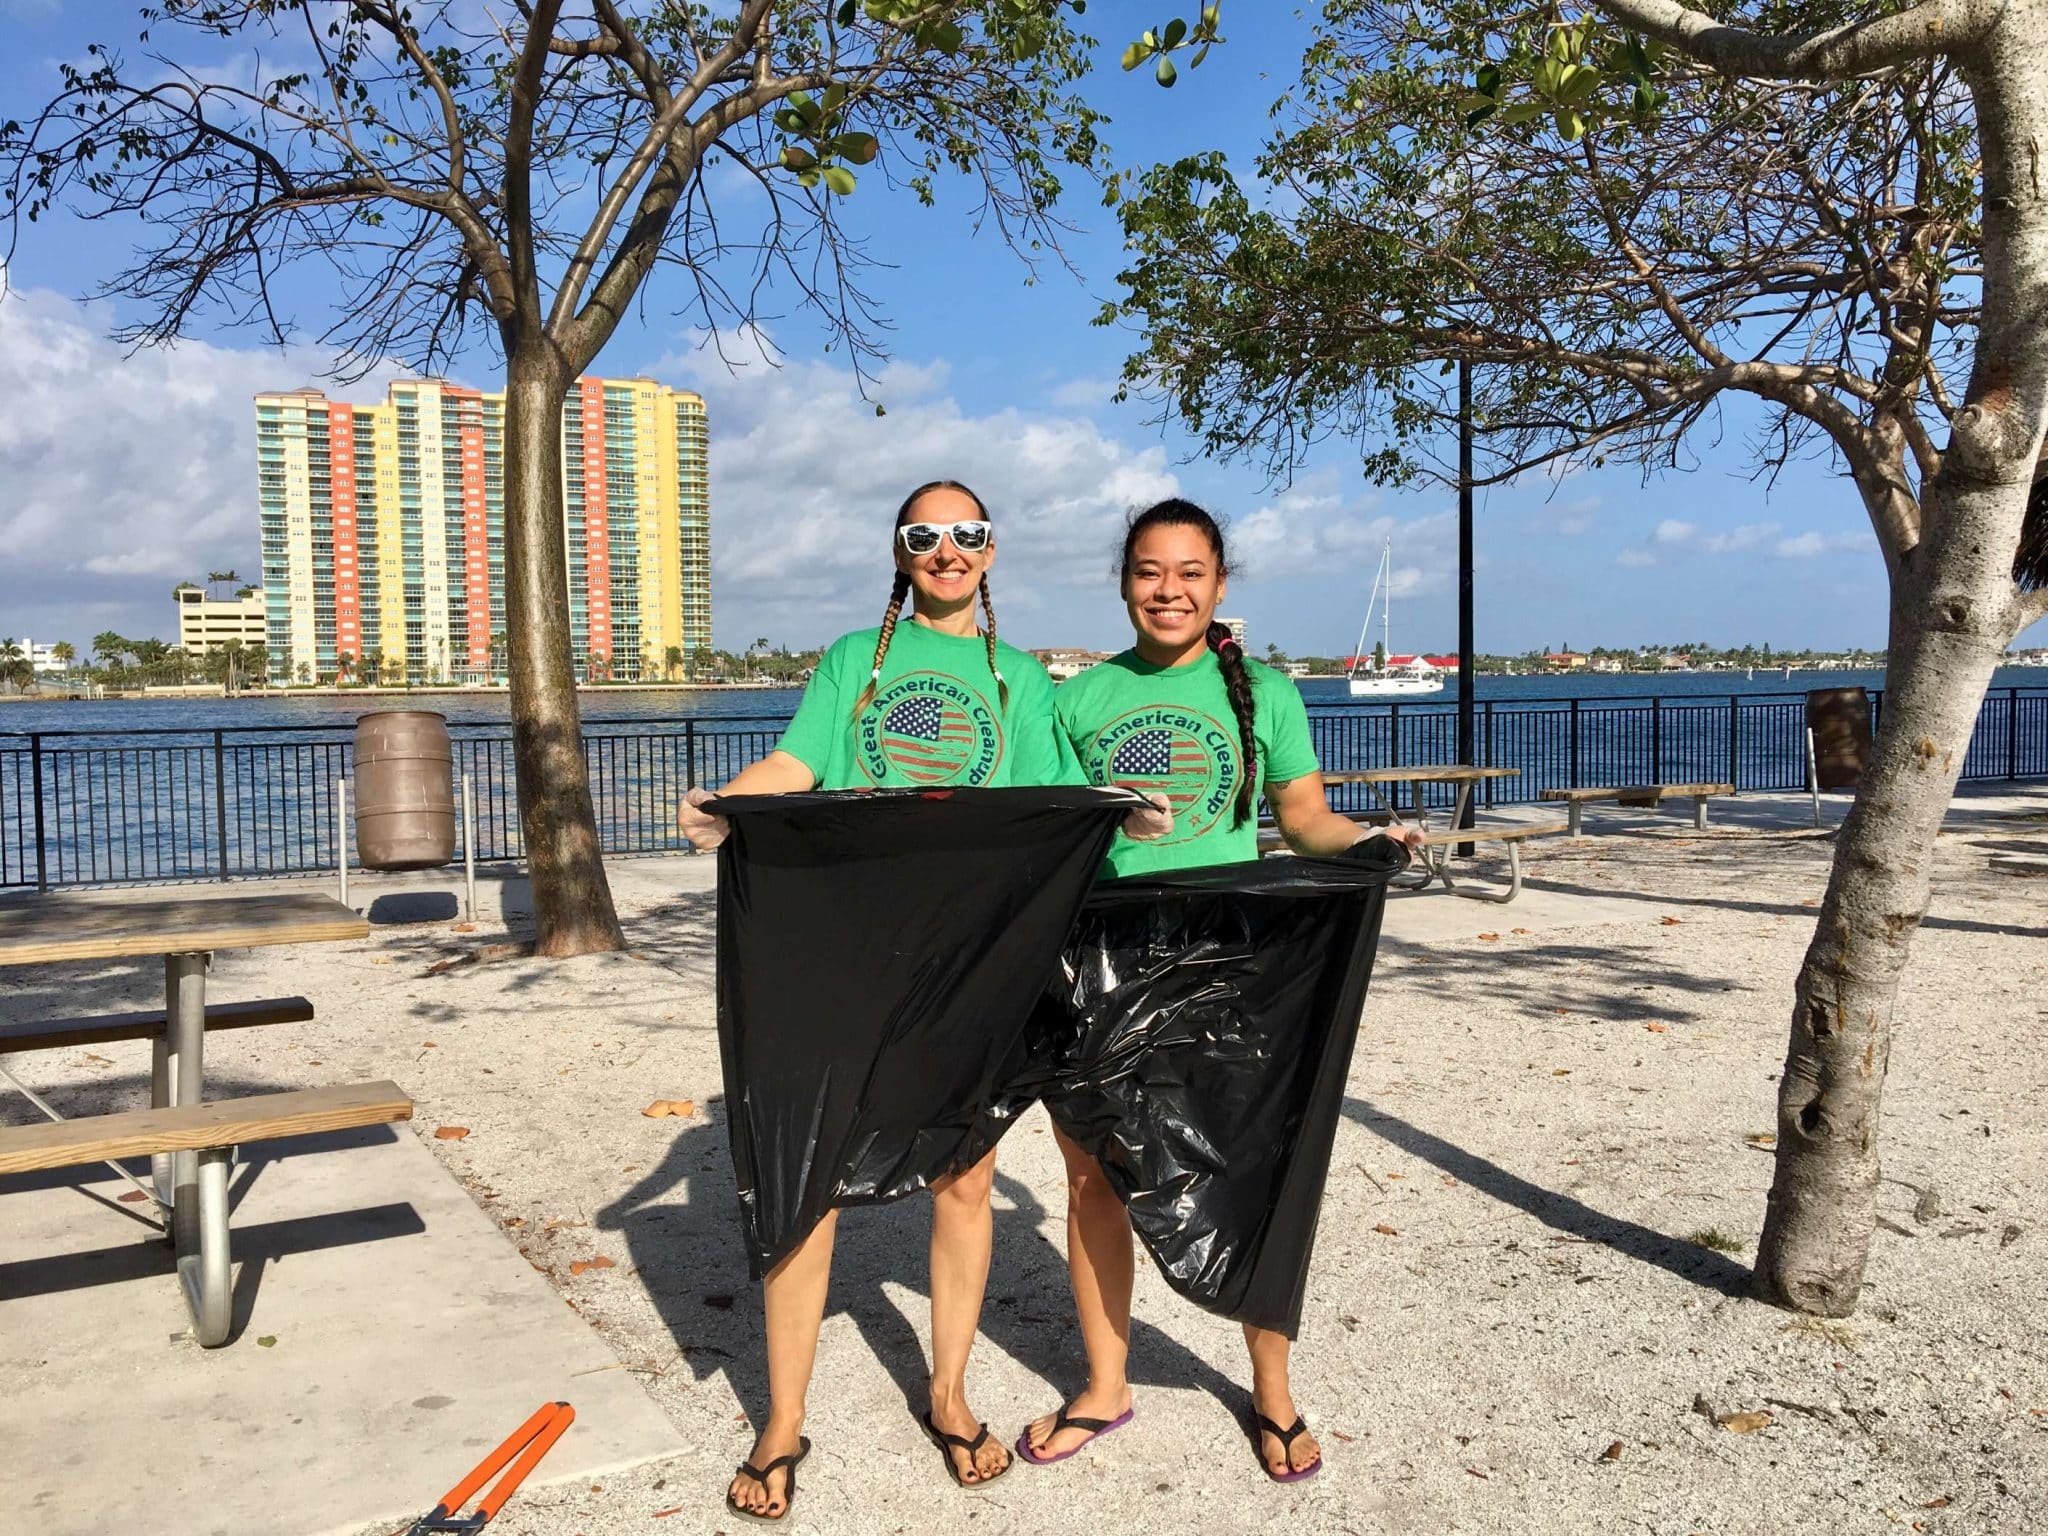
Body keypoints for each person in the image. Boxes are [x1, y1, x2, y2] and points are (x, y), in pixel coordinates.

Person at [679, 480, 1168, 1520]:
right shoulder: (858, 660)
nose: (947, 550)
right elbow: (798, 763)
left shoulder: (1020, 678)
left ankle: (947, 1393)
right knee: (806, 1174)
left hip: (971, 959)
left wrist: (1125, 816)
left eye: (966, 534)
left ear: (989, 553)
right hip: (852, 946)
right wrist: (729, 805)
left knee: (963, 1175)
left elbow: (1055, 804)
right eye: (924, 535)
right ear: (900, 552)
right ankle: (781, 1421)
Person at [1019, 496, 1419, 1484]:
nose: (1168, 590)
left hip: (1229, 957)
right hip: (1099, 955)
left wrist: (1369, 842)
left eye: (1189, 572)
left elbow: (1306, 823)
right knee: (1091, 1178)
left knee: (1250, 1172)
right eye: (1150, 571)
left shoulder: (1267, 694)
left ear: (1218, 585)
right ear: (1124, 582)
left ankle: (1272, 1392)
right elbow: (1041, 836)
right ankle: (1105, 1385)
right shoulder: (1074, 699)